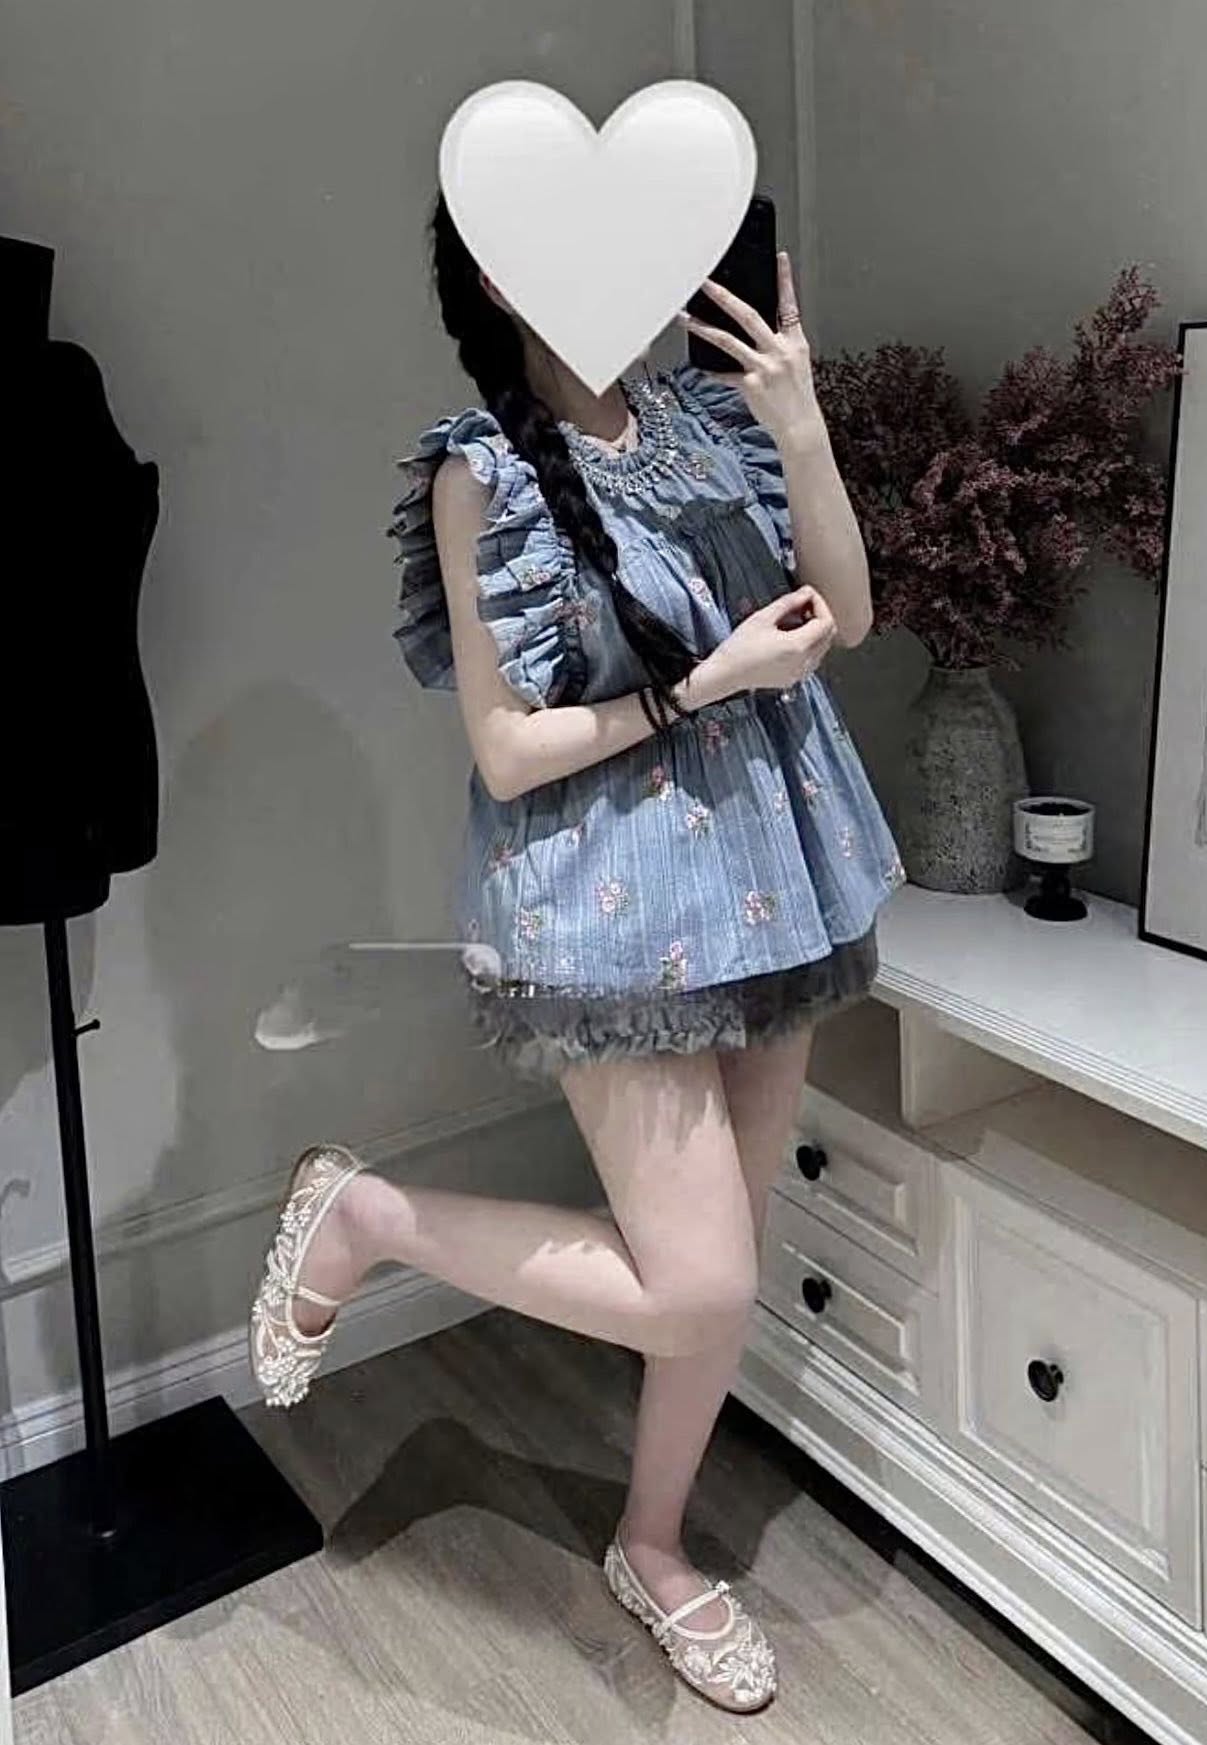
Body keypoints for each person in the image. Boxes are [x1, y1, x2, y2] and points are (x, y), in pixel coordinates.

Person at [249, 190, 903, 1714]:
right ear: (499, 274)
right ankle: (364, 1212)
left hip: (777, 871)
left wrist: (800, 424)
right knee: (700, 1286)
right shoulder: (480, 471)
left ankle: (652, 1543)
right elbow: (503, 747)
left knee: (717, 1279)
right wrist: (704, 682)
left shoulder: (715, 418)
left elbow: (854, 617)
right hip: (611, 907)